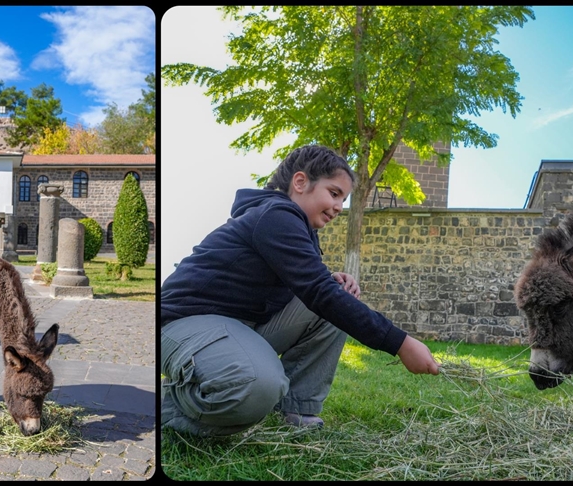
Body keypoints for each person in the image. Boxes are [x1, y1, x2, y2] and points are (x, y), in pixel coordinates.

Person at [161, 144, 440, 437]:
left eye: (343, 199)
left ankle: (296, 408)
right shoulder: (276, 215)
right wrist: (400, 343)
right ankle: (170, 404)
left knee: (337, 299)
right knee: (256, 387)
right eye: (334, 193)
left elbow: (312, 286)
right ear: (300, 182)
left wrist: (329, 280)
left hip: (241, 325)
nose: (339, 207)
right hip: (183, 323)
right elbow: (318, 291)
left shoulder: (299, 227)